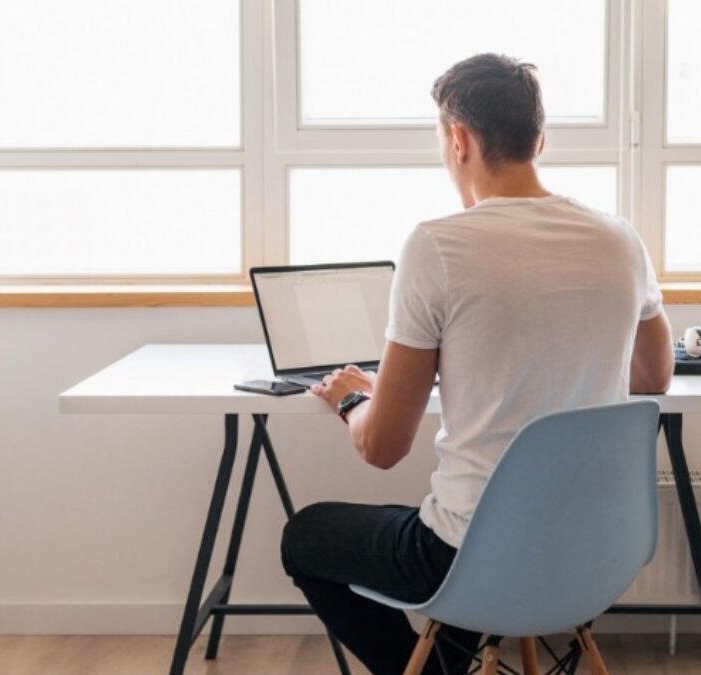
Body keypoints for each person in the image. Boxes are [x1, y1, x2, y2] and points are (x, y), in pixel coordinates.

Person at [279, 53, 674, 675]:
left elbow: (382, 446)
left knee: (305, 537)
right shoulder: (620, 239)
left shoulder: (438, 246)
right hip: (592, 556)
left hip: (470, 558)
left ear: (458, 139)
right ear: (538, 139)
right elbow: (653, 377)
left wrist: (352, 398)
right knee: (470, 529)